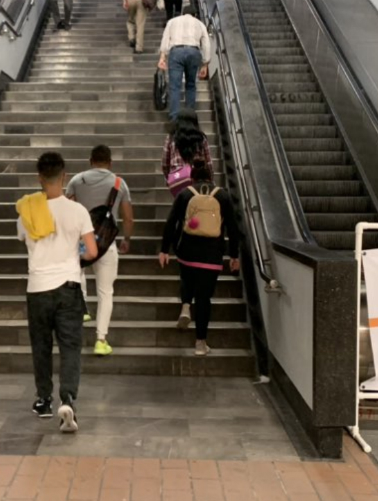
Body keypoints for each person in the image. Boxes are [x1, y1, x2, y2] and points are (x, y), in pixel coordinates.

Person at [16, 152, 97, 432]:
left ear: (39, 177)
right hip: (68, 287)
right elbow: (93, 250)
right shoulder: (78, 211)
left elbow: (24, 240)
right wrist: (76, 253)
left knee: (41, 346)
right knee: (70, 346)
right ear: (63, 177)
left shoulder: (26, 211)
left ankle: (43, 400)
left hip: (37, 287)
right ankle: (69, 400)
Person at [159, 166, 240, 356]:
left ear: (192, 178)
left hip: (186, 251)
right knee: (204, 298)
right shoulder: (223, 196)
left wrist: (164, 250)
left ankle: (186, 306)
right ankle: (200, 343)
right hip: (212, 256)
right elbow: (233, 228)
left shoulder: (185, 194)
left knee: (187, 279)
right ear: (211, 177)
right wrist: (234, 256)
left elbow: (171, 222)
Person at [66, 145, 135, 356]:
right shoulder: (118, 183)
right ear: (110, 162)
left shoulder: (76, 181)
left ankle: (83, 308)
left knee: (77, 274)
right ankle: (101, 340)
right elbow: (128, 217)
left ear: (90, 160)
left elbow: (66, 209)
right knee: (106, 292)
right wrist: (126, 238)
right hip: (107, 243)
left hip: (81, 241)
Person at [157, 4, 211, 122]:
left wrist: (162, 57)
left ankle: (174, 118)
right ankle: (189, 118)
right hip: (193, 51)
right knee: (191, 85)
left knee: (174, 86)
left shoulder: (172, 21)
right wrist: (205, 63)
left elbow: (165, 38)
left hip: (176, 52)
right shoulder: (200, 24)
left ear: (182, 13)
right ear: (195, 15)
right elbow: (206, 44)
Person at [162, 108, 215, 186]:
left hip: (178, 178)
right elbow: (208, 162)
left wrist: (169, 177)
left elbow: (165, 163)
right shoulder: (201, 138)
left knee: (181, 197)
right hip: (197, 179)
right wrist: (211, 179)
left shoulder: (171, 137)